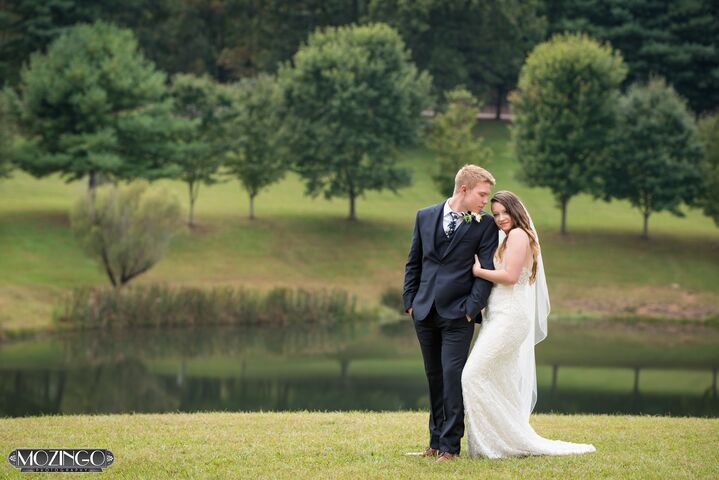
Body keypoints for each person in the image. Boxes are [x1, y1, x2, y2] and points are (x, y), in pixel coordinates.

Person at [462, 190, 596, 458]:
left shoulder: (520, 235)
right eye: (496, 213)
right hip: (499, 315)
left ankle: (497, 441)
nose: (500, 218)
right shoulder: (510, 237)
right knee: (500, 379)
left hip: (510, 317)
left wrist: (478, 271)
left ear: (516, 211)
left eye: (504, 212)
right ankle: (501, 440)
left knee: (472, 374)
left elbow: (510, 276)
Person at [403, 164, 499, 463]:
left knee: (453, 376)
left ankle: (450, 447)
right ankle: (433, 442)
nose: (486, 201)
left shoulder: (485, 225)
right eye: (482, 194)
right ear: (463, 189)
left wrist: (472, 309)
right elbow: (414, 262)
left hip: (459, 315)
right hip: (424, 310)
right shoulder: (425, 216)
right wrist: (410, 300)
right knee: (434, 377)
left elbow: (486, 271)